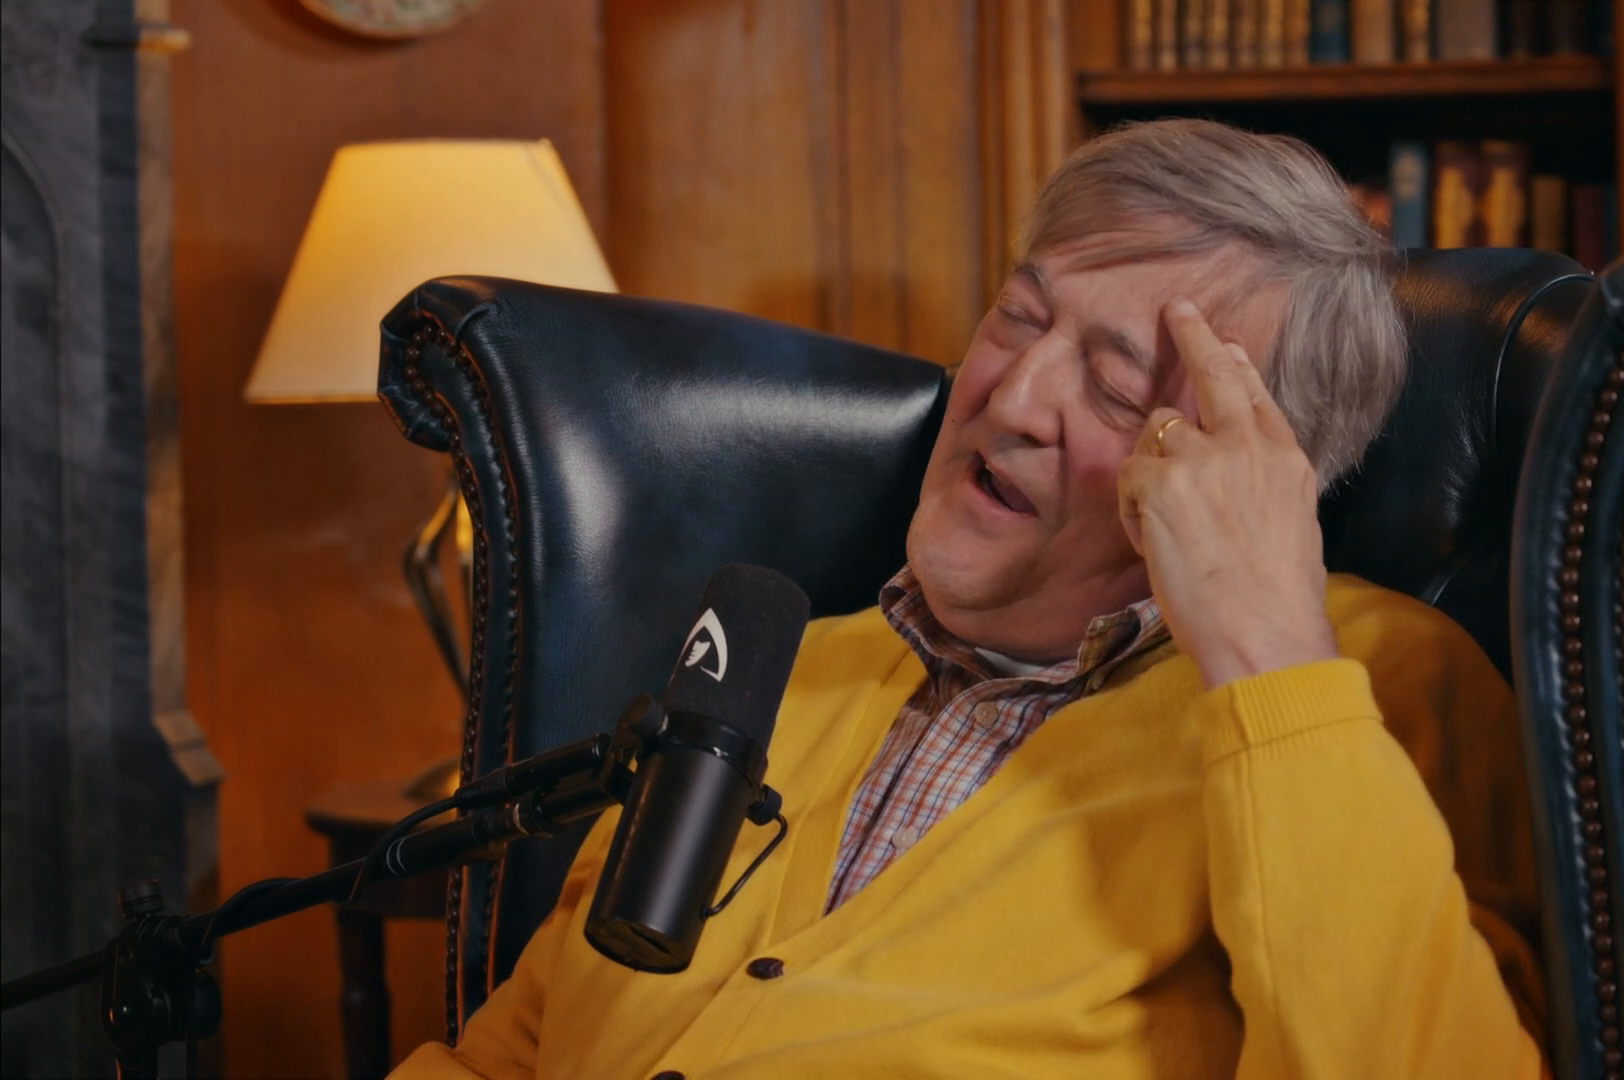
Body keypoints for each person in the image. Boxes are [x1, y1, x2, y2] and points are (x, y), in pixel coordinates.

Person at [392, 117, 1547, 1079]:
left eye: (1116, 384)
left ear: (1247, 471)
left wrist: (1268, 651)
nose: (1015, 396)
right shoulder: (784, 668)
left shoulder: (1368, 688)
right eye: (1019, 317)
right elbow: (512, 1054)